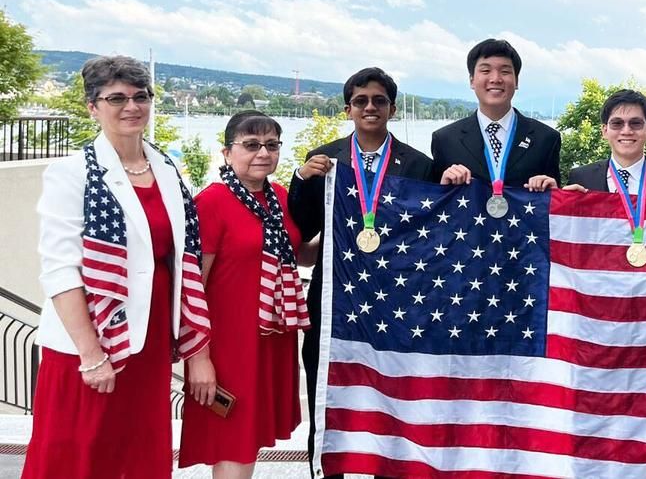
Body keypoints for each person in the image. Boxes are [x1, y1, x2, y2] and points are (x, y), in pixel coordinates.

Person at [23, 55, 212, 479]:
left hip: (149, 345)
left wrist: (196, 350)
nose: (131, 106)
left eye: (140, 96)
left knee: (139, 456)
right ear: (93, 106)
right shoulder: (70, 174)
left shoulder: (167, 168)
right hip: (89, 344)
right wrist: (92, 355)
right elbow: (59, 271)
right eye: (116, 98)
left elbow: (182, 261)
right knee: (77, 457)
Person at [287, 67, 434, 479]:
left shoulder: (418, 164)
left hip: (397, 302)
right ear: (348, 108)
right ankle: (325, 472)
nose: (370, 107)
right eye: (361, 101)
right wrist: (300, 179)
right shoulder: (324, 158)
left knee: (392, 398)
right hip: (335, 299)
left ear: (391, 107)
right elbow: (302, 225)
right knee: (326, 394)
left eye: (379, 100)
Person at [180, 111, 310, 478]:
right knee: (233, 441)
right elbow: (192, 284)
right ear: (226, 152)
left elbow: (295, 251)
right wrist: (198, 358)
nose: (263, 153)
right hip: (228, 345)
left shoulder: (279, 197)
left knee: (248, 440)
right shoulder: (212, 202)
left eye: (271, 145)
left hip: (269, 338)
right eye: (251, 145)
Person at [432, 38, 561, 192]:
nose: (496, 79)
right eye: (485, 71)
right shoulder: (445, 140)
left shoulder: (546, 138)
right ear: (472, 80)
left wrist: (554, 190)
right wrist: (442, 184)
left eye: (505, 71)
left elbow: (555, 206)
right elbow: (434, 204)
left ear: (517, 81)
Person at [563, 89, 646, 194]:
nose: (626, 131)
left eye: (636, 123)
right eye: (617, 123)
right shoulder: (580, 178)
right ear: (604, 130)